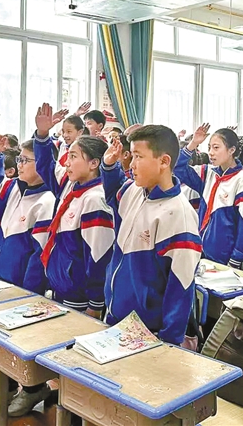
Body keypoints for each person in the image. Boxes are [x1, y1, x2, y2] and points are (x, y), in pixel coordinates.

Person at [101, 125, 202, 346]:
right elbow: (114, 195)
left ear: (164, 162)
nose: (131, 164)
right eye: (132, 155)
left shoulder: (179, 215)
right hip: (118, 319)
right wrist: (108, 166)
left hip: (149, 333)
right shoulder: (135, 191)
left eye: (138, 156)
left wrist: (168, 343)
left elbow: (181, 287)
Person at [0, 136, 56, 416]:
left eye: (26, 160)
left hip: (24, 289)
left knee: (23, 342)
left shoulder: (47, 200)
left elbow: (39, 255)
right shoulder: (13, 187)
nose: (20, 164)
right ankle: (6, 388)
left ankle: (33, 390)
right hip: (1, 278)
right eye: (19, 159)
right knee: (1, 340)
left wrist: (27, 293)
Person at [40, 135, 114, 315]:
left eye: (73, 156)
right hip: (62, 288)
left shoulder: (95, 200)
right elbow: (46, 167)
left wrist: (95, 303)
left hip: (79, 295)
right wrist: (42, 136)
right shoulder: (74, 188)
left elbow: (99, 255)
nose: (66, 163)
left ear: (94, 163)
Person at [175, 124, 243, 267]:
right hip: (202, 251)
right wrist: (193, 143)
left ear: (231, 150)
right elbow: (178, 168)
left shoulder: (242, 180)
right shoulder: (208, 173)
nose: (211, 153)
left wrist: (236, 259)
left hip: (224, 257)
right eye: (209, 148)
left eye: (216, 148)